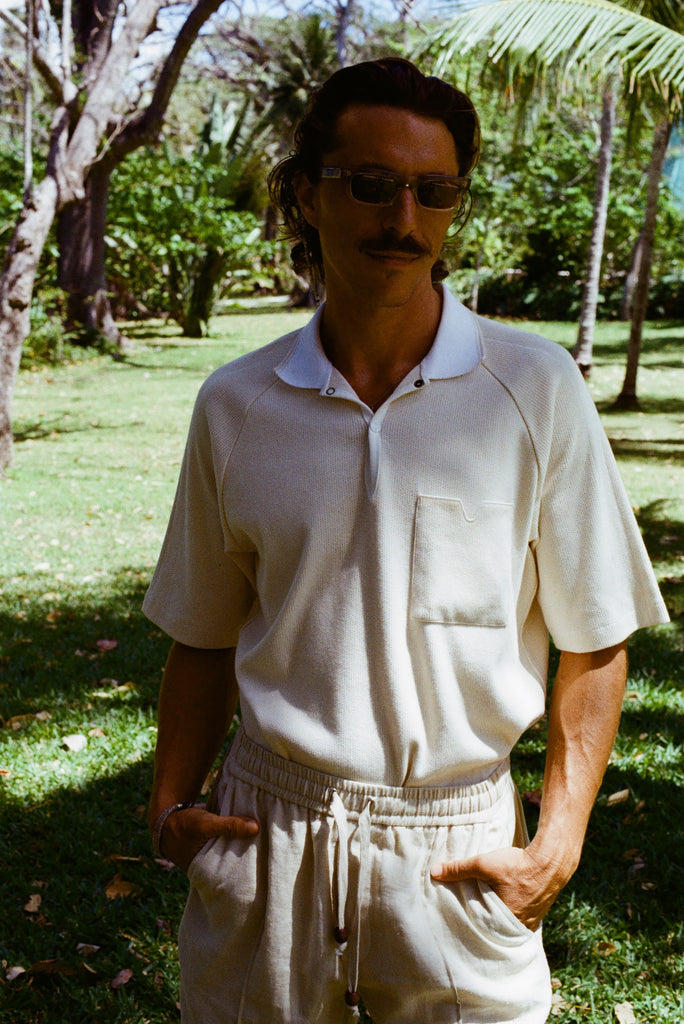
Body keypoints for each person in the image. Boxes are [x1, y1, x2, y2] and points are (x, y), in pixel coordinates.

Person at [143, 57, 669, 1024]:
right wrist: (173, 808)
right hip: (273, 825)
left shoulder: (534, 388)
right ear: (307, 193)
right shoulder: (237, 407)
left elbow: (596, 632)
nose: (404, 219)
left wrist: (556, 844)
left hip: (457, 837)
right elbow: (202, 631)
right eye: (372, 185)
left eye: (435, 192)